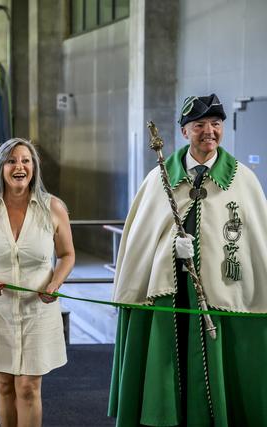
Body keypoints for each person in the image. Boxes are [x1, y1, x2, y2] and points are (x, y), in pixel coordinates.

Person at [109, 94, 267, 426]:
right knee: (170, 361)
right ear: (185, 132)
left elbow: (257, 243)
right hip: (170, 295)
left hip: (221, 298)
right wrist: (171, 246)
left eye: (216, 124)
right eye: (199, 125)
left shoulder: (243, 180)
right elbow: (142, 238)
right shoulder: (159, 179)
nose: (209, 132)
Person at [0, 138, 75, 426]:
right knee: (3, 384)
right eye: (11, 161)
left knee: (27, 387)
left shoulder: (53, 208)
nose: (19, 166)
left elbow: (67, 255)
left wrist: (55, 284)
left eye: (25, 160)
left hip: (38, 310)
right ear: (1, 168)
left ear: (34, 167)